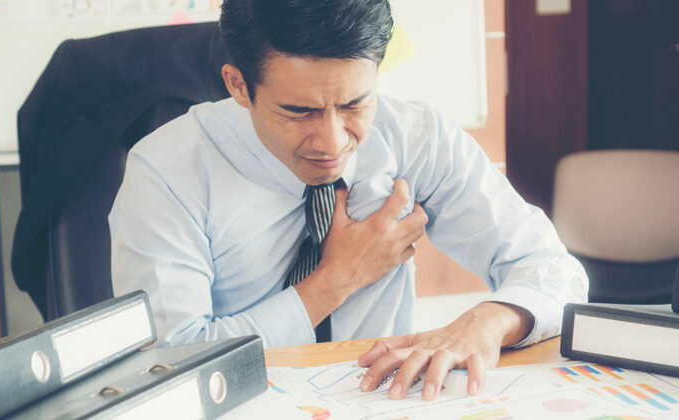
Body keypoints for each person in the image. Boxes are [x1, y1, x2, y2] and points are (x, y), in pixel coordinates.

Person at [109, 0, 587, 400]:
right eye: (299, 111)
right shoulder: (167, 172)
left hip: (384, 401)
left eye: (355, 104)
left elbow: (553, 270)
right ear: (238, 85)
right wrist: (336, 281)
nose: (333, 142)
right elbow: (168, 363)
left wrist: (489, 320)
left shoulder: (416, 136)